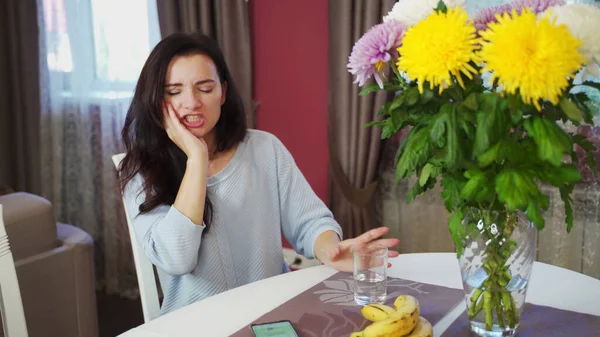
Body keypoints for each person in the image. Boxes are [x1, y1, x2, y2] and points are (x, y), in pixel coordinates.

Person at [118, 32, 399, 315]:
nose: (191, 103)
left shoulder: (264, 149)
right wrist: (197, 159)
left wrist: (330, 250)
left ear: (223, 92)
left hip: (272, 314)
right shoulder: (141, 171)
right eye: (174, 91)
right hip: (198, 324)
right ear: (155, 98)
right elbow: (176, 259)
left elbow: (310, 221)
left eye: (204, 88)